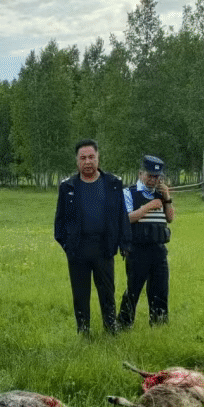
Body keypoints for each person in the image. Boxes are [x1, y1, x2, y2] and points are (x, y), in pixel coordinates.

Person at [54, 139, 130, 334]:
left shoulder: (113, 183)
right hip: (78, 249)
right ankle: (83, 330)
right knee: (80, 294)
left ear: (98, 158)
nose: (87, 161)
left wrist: (124, 243)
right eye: (83, 158)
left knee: (107, 291)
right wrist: (68, 246)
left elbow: (122, 215)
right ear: (77, 161)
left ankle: (110, 327)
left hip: (104, 247)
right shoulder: (67, 187)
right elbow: (59, 223)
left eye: (91, 157)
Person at [117, 155, 173, 328]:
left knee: (160, 289)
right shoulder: (129, 193)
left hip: (158, 248)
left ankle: (159, 323)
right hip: (137, 249)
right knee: (133, 289)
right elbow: (126, 219)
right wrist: (147, 207)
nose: (153, 180)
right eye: (150, 175)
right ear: (141, 173)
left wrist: (167, 198)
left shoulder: (161, 194)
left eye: (157, 177)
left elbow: (170, 218)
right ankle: (124, 324)